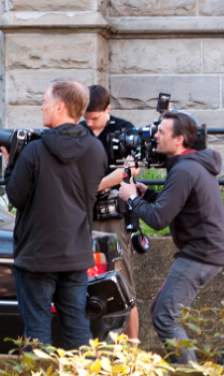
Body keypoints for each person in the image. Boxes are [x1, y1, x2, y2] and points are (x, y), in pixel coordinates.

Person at [119, 111, 224, 364]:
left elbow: (159, 220)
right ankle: (185, 365)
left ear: (178, 139)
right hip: (204, 251)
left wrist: (132, 198)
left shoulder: (184, 169)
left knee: (165, 316)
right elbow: (175, 206)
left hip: (202, 253)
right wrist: (146, 194)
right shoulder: (189, 165)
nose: (154, 136)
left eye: (161, 132)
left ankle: (188, 370)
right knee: (162, 311)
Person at [2, 78, 106, 350]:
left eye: (45, 102)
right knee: (77, 328)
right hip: (76, 252)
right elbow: (86, 197)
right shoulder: (96, 149)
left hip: (37, 255)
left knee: (36, 329)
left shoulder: (34, 150)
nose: (41, 107)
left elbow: (16, 197)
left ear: (59, 107)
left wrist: (10, 165)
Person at [79, 85, 141, 342]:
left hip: (113, 216)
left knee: (122, 281)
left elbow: (132, 171)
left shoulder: (124, 130)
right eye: (86, 117)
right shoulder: (77, 130)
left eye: (95, 117)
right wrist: (110, 179)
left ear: (108, 109)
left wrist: (102, 182)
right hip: (81, 212)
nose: (90, 123)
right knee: (83, 283)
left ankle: (134, 349)